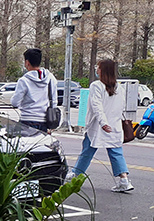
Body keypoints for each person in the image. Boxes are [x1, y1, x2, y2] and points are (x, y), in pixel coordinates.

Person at [67, 59, 134, 193]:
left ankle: (76, 175)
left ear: (103, 70)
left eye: (98, 68)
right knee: (116, 152)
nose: (96, 70)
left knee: (87, 150)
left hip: (98, 126)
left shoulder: (96, 86)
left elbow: (97, 106)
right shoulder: (118, 87)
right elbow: (121, 107)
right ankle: (124, 180)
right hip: (114, 126)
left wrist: (103, 123)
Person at [11, 48, 58, 132]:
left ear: (27, 62)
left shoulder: (24, 80)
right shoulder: (51, 78)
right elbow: (54, 101)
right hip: (45, 121)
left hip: (26, 120)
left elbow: (15, 102)